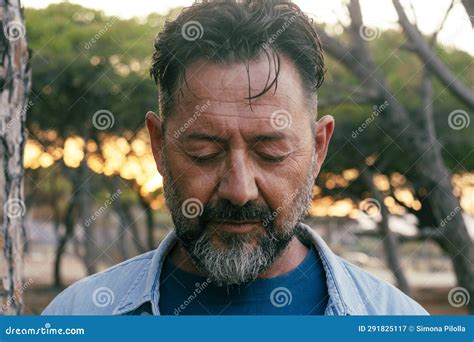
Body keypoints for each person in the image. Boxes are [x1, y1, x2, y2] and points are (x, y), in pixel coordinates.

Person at [43, 0, 427, 315]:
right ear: (159, 147)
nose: (239, 191)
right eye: (204, 152)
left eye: (271, 152)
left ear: (318, 149)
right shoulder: (77, 315)